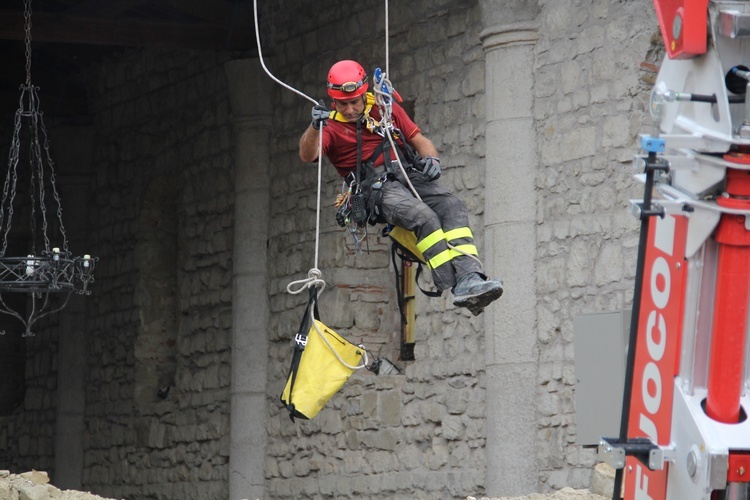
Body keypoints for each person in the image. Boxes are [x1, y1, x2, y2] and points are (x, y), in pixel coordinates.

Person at [299, 60, 503, 315]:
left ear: (364, 94)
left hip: (408, 174)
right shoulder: (329, 127)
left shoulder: (385, 108)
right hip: (376, 189)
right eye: (343, 104)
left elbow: (419, 141)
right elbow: (308, 155)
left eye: (355, 102)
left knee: (453, 206)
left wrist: (431, 159)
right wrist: (314, 126)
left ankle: (470, 277)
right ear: (334, 103)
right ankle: (457, 287)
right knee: (423, 217)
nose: (350, 109)